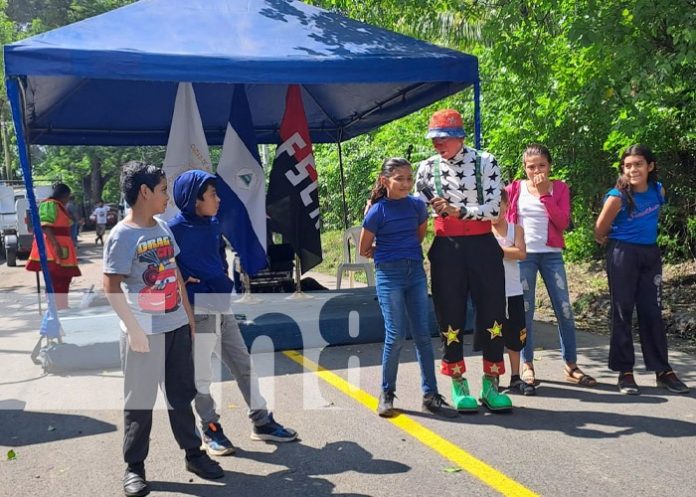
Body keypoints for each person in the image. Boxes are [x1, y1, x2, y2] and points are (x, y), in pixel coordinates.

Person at [103, 162, 223, 497]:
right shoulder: (122, 236)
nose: (166, 197)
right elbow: (110, 286)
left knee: (181, 395)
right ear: (144, 192)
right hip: (143, 333)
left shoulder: (163, 229)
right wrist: (134, 329)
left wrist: (187, 319)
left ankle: (194, 455)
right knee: (140, 402)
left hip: (175, 327)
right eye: (162, 190)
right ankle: (135, 468)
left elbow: (176, 276)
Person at [168, 169, 297, 457]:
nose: (218, 199)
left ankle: (261, 421)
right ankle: (210, 428)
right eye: (212, 194)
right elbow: (166, 271)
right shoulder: (173, 231)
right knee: (202, 376)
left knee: (243, 365)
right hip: (197, 312)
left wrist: (222, 282)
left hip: (222, 308)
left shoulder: (213, 225)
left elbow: (217, 259)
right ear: (194, 199)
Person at [416, 109, 512, 412]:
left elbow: (496, 209)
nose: (436, 144)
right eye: (433, 139)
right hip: (447, 246)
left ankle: (491, 384)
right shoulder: (426, 168)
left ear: (459, 136)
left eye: (442, 138)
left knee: (493, 312)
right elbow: (416, 211)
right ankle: (458, 384)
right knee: (450, 315)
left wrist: (461, 211)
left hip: (483, 244)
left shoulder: (486, 162)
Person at [360, 157, 458, 419]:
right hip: (389, 275)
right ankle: (386, 394)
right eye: (399, 179)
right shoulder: (376, 211)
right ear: (385, 181)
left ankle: (431, 396)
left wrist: (400, 250)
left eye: (408, 178)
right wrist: (387, 251)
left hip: (414, 272)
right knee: (396, 335)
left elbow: (418, 235)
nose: (405, 184)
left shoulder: (417, 205)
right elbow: (364, 248)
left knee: (423, 336)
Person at [595, 144, 689, 395]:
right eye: (628, 166)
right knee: (622, 312)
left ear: (650, 166)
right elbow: (599, 231)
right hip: (623, 254)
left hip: (650, 254)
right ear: (622, 170)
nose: (633, 169)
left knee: (652, 311)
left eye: (638, 164)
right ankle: (625, 373)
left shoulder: (659, 190)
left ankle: (663, 371)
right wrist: (616, 242)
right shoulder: (617, 196)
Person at [505, 144, 596, 388]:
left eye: (541, 165)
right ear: (524, 168)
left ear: (550, 166)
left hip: (551, 255)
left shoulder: (560, 188)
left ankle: (571, 364)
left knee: (564, 309)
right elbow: (502, 220)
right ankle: (527, 364)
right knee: (525, 310)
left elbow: (563, 222)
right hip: (524, 257)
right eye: (531, 166)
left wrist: (545, 194)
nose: (536, 171)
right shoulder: (514, 189)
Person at [490, 189, 535, 395]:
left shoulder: (516, 230)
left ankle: (516, 376)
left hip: (513, 291)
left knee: (514, 337)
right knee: (492, 338)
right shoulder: (482, 232)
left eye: (498, 203)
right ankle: (492, 377)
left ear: (506, 205)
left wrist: (497, 251)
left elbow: (521, 253)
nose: (495, 209)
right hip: (489, 293)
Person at [25, 183, 81, 310]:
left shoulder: (60, 207)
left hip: (63, 246)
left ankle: (62, 305)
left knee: (64, 277)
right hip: (53, 246)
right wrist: (55, 244)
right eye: (68, 197)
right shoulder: (50, 204)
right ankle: (56, 307)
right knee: (56, 277)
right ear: (64, 195)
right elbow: (45, 226)